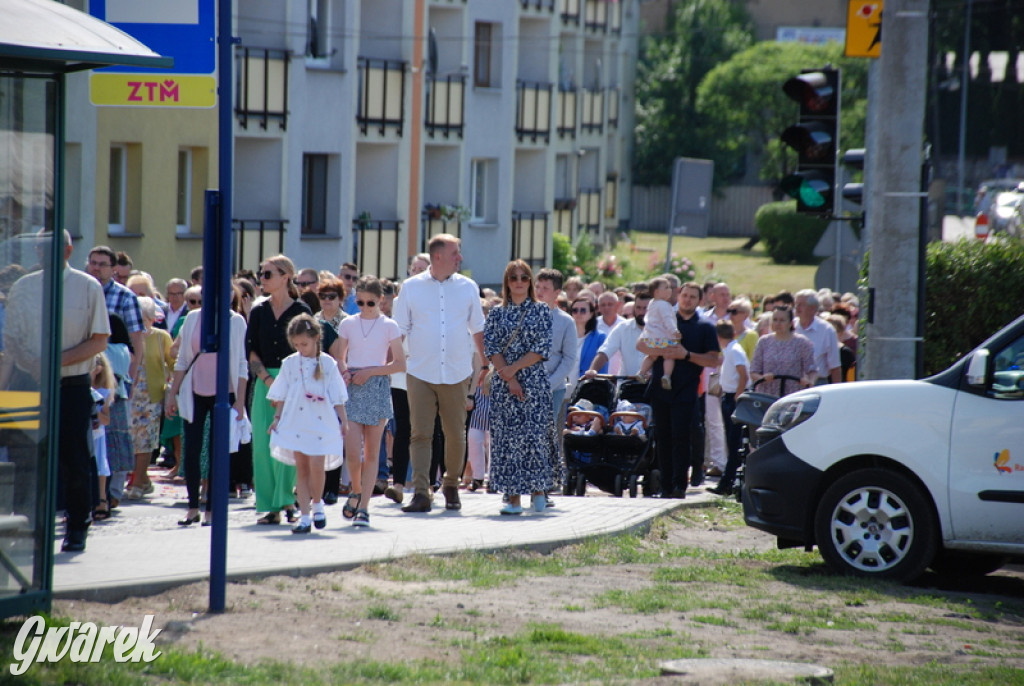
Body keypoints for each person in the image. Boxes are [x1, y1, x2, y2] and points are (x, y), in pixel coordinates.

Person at [2, 231, 110, 552]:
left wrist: (55, 361)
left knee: (74, 458)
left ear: (68, 250)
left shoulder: (87, 286)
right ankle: (23, 527)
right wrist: (30, 363)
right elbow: (12, 338)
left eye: (50, 247)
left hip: (70, 385)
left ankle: (77, 527)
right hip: (27, 383)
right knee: (25, 458)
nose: (43, 252)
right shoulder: (24, 286)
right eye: (39, 247)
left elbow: (99, 339)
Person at [391, 234, 487, 513]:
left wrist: (485, 363)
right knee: (420, 434)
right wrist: (387, 362)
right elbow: (400, 330)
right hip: (419, 370)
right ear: (438, 257)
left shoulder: (468, 287)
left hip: (457, 371)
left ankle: (451, 484)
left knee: (456, 434)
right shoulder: (410, 288)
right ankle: (421, 493)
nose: (460, 257)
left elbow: (477, 328)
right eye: (455, 253)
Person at [165, 287, 250, 526]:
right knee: (191, 450)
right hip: (195, 391)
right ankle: (193, 507)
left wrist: (241, 401)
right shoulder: (193, 318)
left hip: (224, 392)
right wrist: (172, 394)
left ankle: (212, 508)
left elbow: (242, 364)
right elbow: (182, 359)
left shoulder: (236, 321)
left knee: (217, 451)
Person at [636, 282, 721, 499]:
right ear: (678, 295)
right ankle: (664, 486)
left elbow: (714, 358)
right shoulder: (665, 316)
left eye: (693, 296)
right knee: (662, 438)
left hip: (686, 390)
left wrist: (685, 355)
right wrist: (664, 350)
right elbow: (641, 345)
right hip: (660, 389)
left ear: (700, 300)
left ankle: (679, 486)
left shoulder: (705, 326)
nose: (688, 299)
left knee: (681, 438)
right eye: (685, 295)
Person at [484, 260, 555, 515]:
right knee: (506, 440)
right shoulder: (496, 313)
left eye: (524, 277)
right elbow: (491, 348)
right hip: (505, 386)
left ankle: (538, 491)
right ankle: (512, 498)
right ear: (506, 282)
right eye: (513, 277)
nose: (518, 282)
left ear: (530, 281)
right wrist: (509, 377)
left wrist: (513, 370)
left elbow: (541, 348)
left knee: (533, 437)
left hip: (534, 382)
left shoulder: (541, 310)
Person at [267, 315, 348, 533]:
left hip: (320, 421)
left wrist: (343, 421)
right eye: (296, 345)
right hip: (296, 420)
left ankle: (318, 504)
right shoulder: (290, 363)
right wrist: (276, 419)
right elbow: (282, 393)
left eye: (304, 344)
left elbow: (337, 394)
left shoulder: (328, 363)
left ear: (315, 339)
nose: (300, 348)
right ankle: (304, 516)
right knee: (301, 469)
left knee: (317, 465)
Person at [246, 255, 311, 524]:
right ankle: (269, 506)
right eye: (261, 274)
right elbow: (250, 351)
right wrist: (270, 383)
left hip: (295, 381)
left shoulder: (301, 311)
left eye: (268, 274)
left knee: (288, 443)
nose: (262, 279)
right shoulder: (258, 311)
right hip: (265, 383)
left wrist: (285, 387)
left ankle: (286, 500)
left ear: (286, 276)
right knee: (262, 445)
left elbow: (309, 351)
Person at [335, 276, 404, 527]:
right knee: (353, 453)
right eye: (360, 302)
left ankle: (364, 506)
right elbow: (340, 357)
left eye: (370, 303)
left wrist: (370, 372)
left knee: (373, 453)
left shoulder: (389, 326)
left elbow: (399, 363)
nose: (365, 307)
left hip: (375, 386)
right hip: (352, 386)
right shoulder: (348, 324)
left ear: (381, 301)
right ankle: (356, 491)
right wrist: (345, 371)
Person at [126, 297, 173, 500]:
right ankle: (143, 479)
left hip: (151, 396)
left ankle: (137, 483)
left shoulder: (161, 337)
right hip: (128, 395)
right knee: (129, 438)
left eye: (144, 318)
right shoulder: (127, 336)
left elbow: (173, 362)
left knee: (144, 439)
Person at [533, 268, 578, 438]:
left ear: (557, 293)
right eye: (537, 286)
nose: (539, 291)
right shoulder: (522, 315)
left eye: (545, 288)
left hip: (552, 389)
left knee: (543, 437)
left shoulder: (566, 321)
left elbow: (569, 359)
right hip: (521, 387)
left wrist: (548, 385)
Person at [315, 276, 347, 504]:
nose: (327, 300)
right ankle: (316, 484)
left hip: (336, 385)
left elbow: (344, 357)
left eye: (331, 296)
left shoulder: (346, 322)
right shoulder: (312, 322)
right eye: (323, 296)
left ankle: (332, 487)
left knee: (334, 435)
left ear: (341, 298)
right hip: (313, 389)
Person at [707, 321, 748, 497]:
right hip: (729, 396)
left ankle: (727, 483)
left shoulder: (734, 350)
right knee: (732, 443)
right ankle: (728, 482)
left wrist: (738, 395)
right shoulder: (731, 349)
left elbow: (743, 374)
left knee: (734, 443)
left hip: (733, 398)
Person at [749, 305, 816, 397]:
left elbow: (812, 370)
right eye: (775, 320)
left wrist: (809, 381)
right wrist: (762, 378)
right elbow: (753, 371)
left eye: (782, 320)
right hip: (767, 395)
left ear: (790, 323)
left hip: (792, 395)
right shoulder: (764, 342)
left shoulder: (802, 343)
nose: (778, 323)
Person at [586, 290, 651, 378]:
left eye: (645, 308)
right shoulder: (623, 328)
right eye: (638, 308)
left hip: (653, 386)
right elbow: (605, 351)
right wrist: (593, 370)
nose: (641, 312)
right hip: (628, 386)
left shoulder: (662, 330)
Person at [638, 277, 681, 389]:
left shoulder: (652, 303)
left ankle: (642, 372)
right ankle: (666, 376)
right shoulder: (664, 305)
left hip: (649, 338)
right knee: (669, 356)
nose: (670, 290)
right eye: (666, 287)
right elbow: (668, 320)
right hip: (663, 337)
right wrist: (674, 331)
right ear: (657, 292)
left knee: (651, 356)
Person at [794, 289, 841, 385]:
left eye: (802, 304)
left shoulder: (827, 330)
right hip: (791, 382)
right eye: (796, 304)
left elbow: (835, 366)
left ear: (813, 308)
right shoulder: (791, 326)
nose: (797, 308)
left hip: (817, 383)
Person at [90, 353, 115, 522]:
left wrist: (95, 413)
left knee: (100, 466)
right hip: (83, 432)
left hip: (97, 435)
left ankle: (101, 500)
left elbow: (106, 420)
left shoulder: (103, 393)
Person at [570, 296, 607, 378]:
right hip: (564, 386)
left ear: (591, 313)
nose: (578, 313)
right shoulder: (565, 336)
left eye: (583, 310)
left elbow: (603, 366)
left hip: (587, 386)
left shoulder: (600, 337)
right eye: (575, 310)